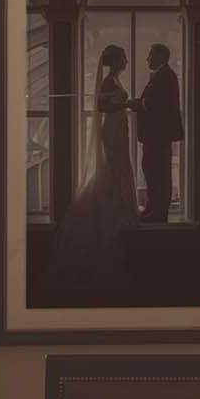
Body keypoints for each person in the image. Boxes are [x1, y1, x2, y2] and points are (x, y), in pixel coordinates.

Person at [43, 43, 140, 302]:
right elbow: (101, 106)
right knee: (114, 167)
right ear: (116, 61)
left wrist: (124, 105)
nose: (127, 62)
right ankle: (115, 209)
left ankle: (120, 205)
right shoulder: (109, 82)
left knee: (119, 167)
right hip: (113, 128)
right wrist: (125, 104)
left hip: (118, 127)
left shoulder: (113, 81)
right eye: (124, 59)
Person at [128, 42, 184, 222]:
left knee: (157, 173)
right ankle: (154, 210)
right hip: (157, 137)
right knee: (153, 172)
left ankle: (158, 213)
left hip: (158, 137)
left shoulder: (165, 76)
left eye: (150, 55)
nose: (147, 59)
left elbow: (157, 104)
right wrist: (141, 102)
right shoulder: (164, 75)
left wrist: (139, 104)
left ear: (160, 56)